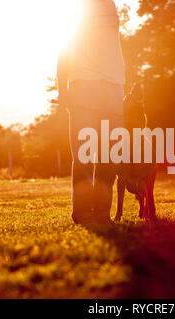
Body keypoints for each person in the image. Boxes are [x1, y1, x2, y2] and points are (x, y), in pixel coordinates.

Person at [57, 0, 125, 224]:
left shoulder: (111, 6)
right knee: (84, 154)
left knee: (110, 154)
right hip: (83, 86)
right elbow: (65, 48)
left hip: (113, 88)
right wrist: (62, 89)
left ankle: (103, 213)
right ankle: (84, 213)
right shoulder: (78, 8)